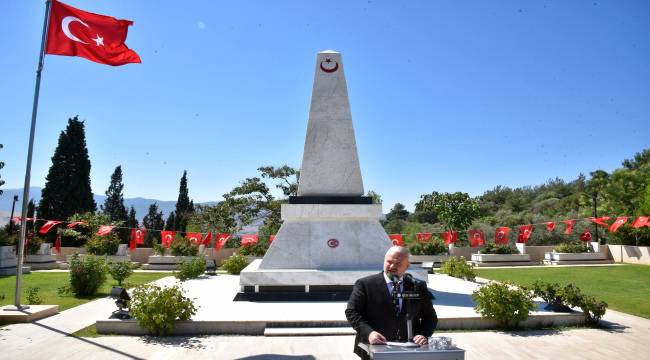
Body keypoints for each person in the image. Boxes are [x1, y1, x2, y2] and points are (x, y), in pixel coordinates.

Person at [345, 246, 437, 359]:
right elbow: (352, 312)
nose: (392, 266)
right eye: (389, 262)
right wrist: (369, 333)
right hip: (373, 348)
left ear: (407, 266)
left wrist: (423, 334)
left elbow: (430, 317)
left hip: (409, 350)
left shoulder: (417, 286)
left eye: (398, 264)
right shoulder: (365, 284)